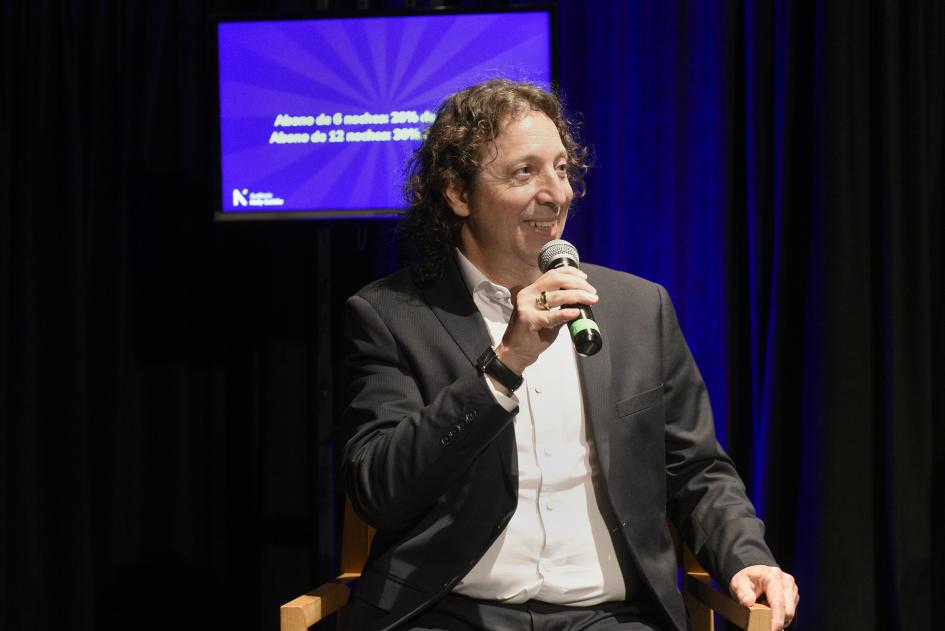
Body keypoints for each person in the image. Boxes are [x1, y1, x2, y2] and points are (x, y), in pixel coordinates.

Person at [340, 79, 798, 631]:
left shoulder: (637, 309)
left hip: (608, 617)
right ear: (457, 193)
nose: (555, 193)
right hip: (449, 612)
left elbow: (696, 469)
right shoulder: (391, 315)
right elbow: (379, 491)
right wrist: (503, 365)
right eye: (524, 172)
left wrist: (747, 556)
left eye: (561, 168)